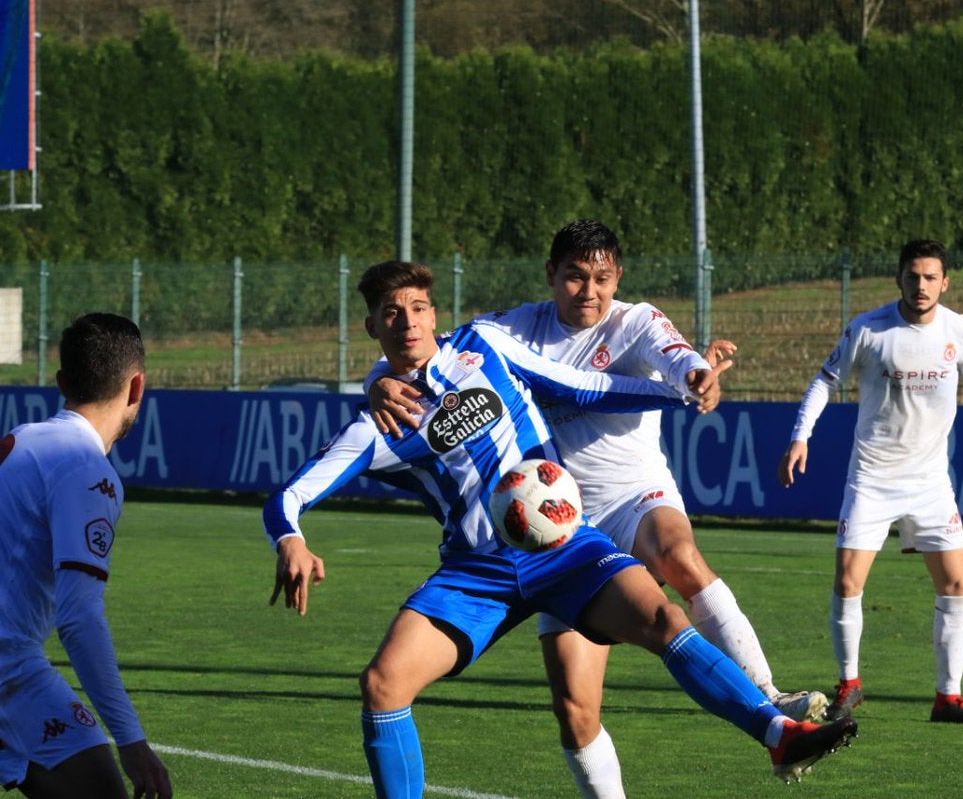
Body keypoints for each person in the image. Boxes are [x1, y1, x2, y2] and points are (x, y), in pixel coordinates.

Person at [265, 261, 856, 799]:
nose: (407, 322)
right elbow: (288, 496)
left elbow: (581, 387)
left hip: (566, 547)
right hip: (478, 571)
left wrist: (677, 389)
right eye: (391, 313)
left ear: (435, 314)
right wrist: (290, 537)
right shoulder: (377, 424)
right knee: (382, 684)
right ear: (371, 326)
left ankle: (778, 733)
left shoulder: (485, 345)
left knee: (663, 617)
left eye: (418, 308)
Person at [777, 238, 963, 726]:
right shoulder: (869, 329)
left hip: (930, 482)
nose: (921, 286)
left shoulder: (959, 330)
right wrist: (801, 438)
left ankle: (949, 698)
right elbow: (825, 381)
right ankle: (850, 685)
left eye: (930, 277)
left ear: (945, 282)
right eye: (912, 276)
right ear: (898, 278)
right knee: (847, 581)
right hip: (873, 478)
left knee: (956, 582)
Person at [0, 313, 173, 799]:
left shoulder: (22, 441)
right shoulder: (87, 471)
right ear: (136, 386)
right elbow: (78, 618)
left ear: (61, 383)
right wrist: (132, 739)